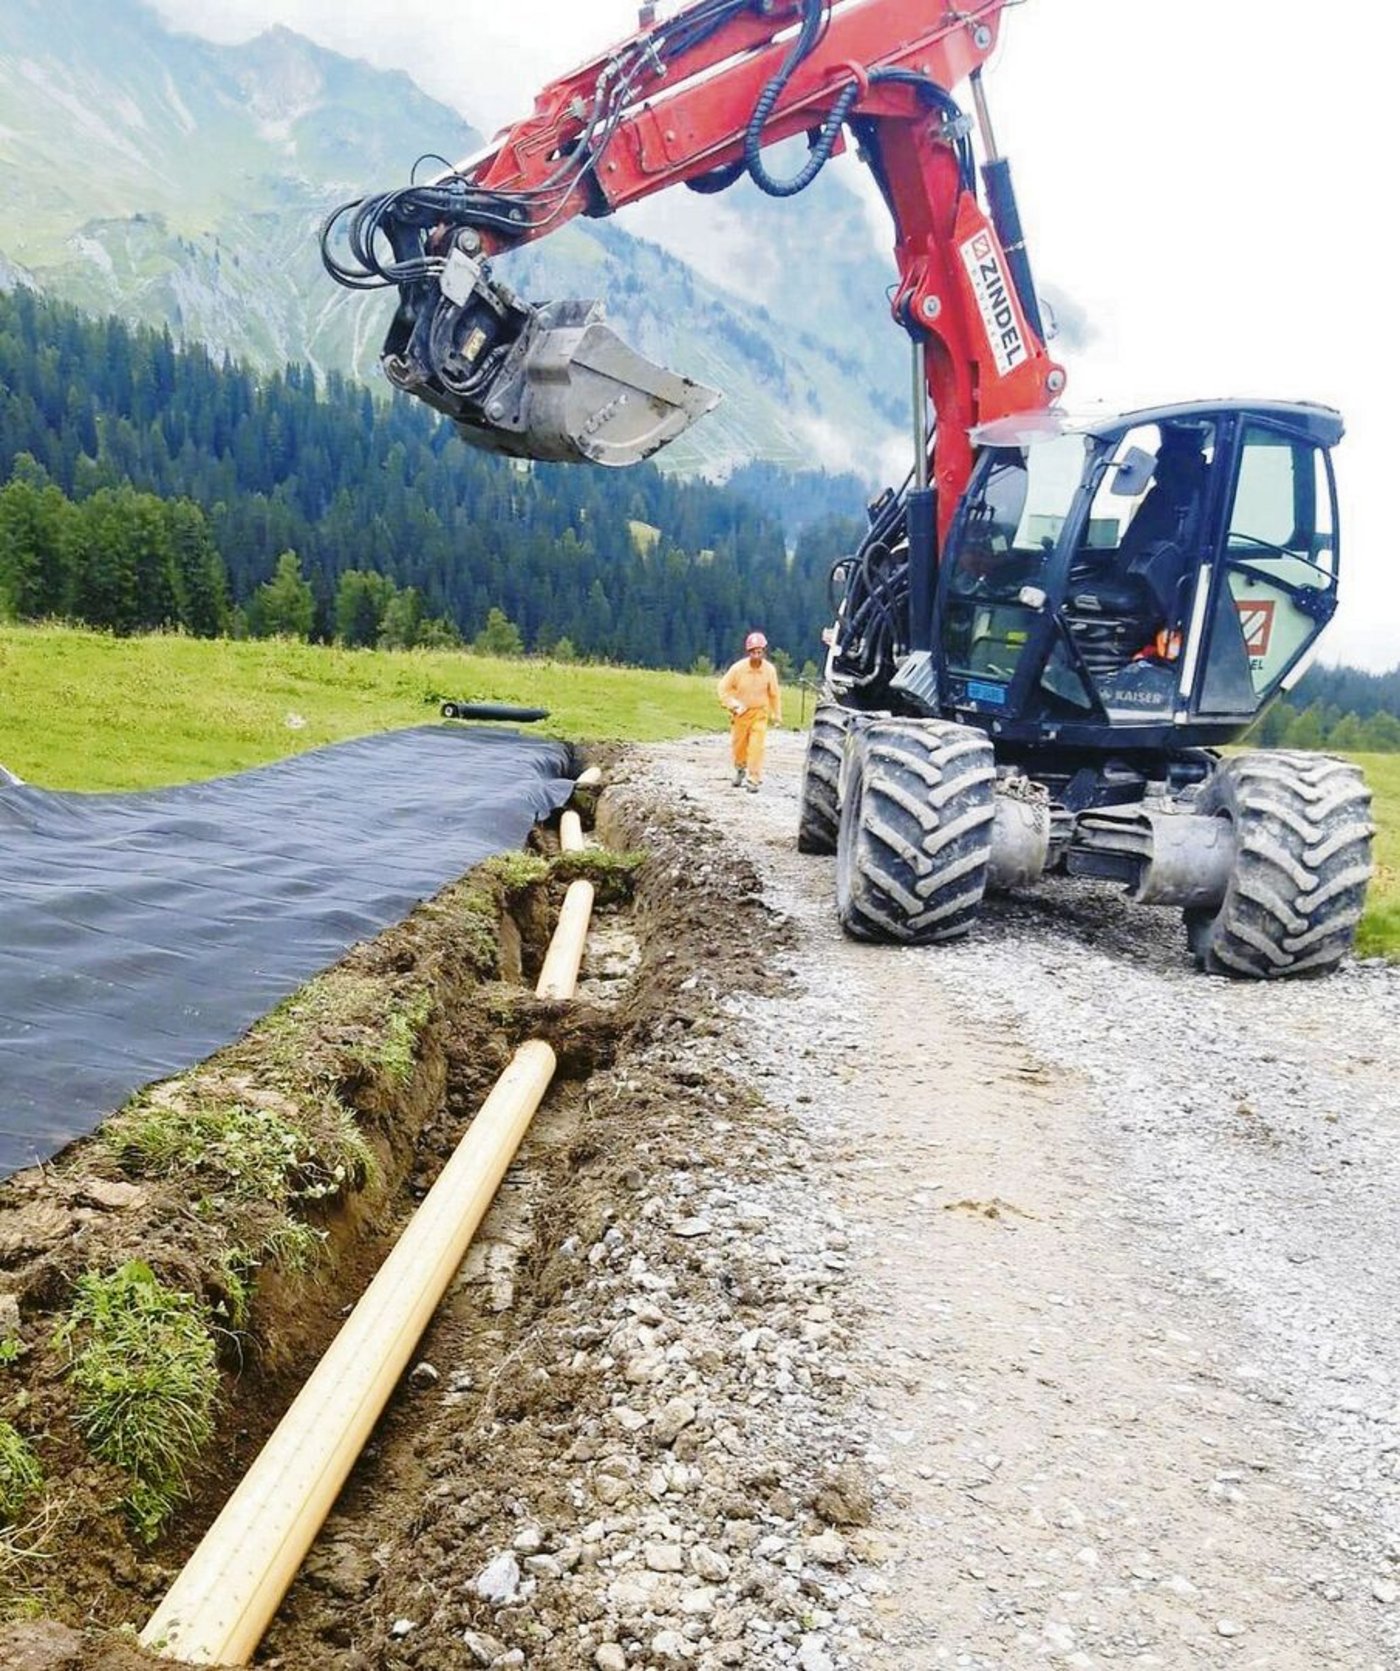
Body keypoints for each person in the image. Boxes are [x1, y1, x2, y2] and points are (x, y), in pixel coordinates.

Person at [717, 630, 782, 792]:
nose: (757, 655)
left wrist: (776, 714)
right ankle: (740, 768)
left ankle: (753, 778)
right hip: (741, 714)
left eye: (759, 651)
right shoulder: (737, 669)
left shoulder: (769, 670)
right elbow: (723, 688)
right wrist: (732, 704)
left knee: (756, 746)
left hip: (760, 713)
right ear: (749, 652)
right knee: (739, 746)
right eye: (753, 652)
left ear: (764, 652)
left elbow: (774, 694)